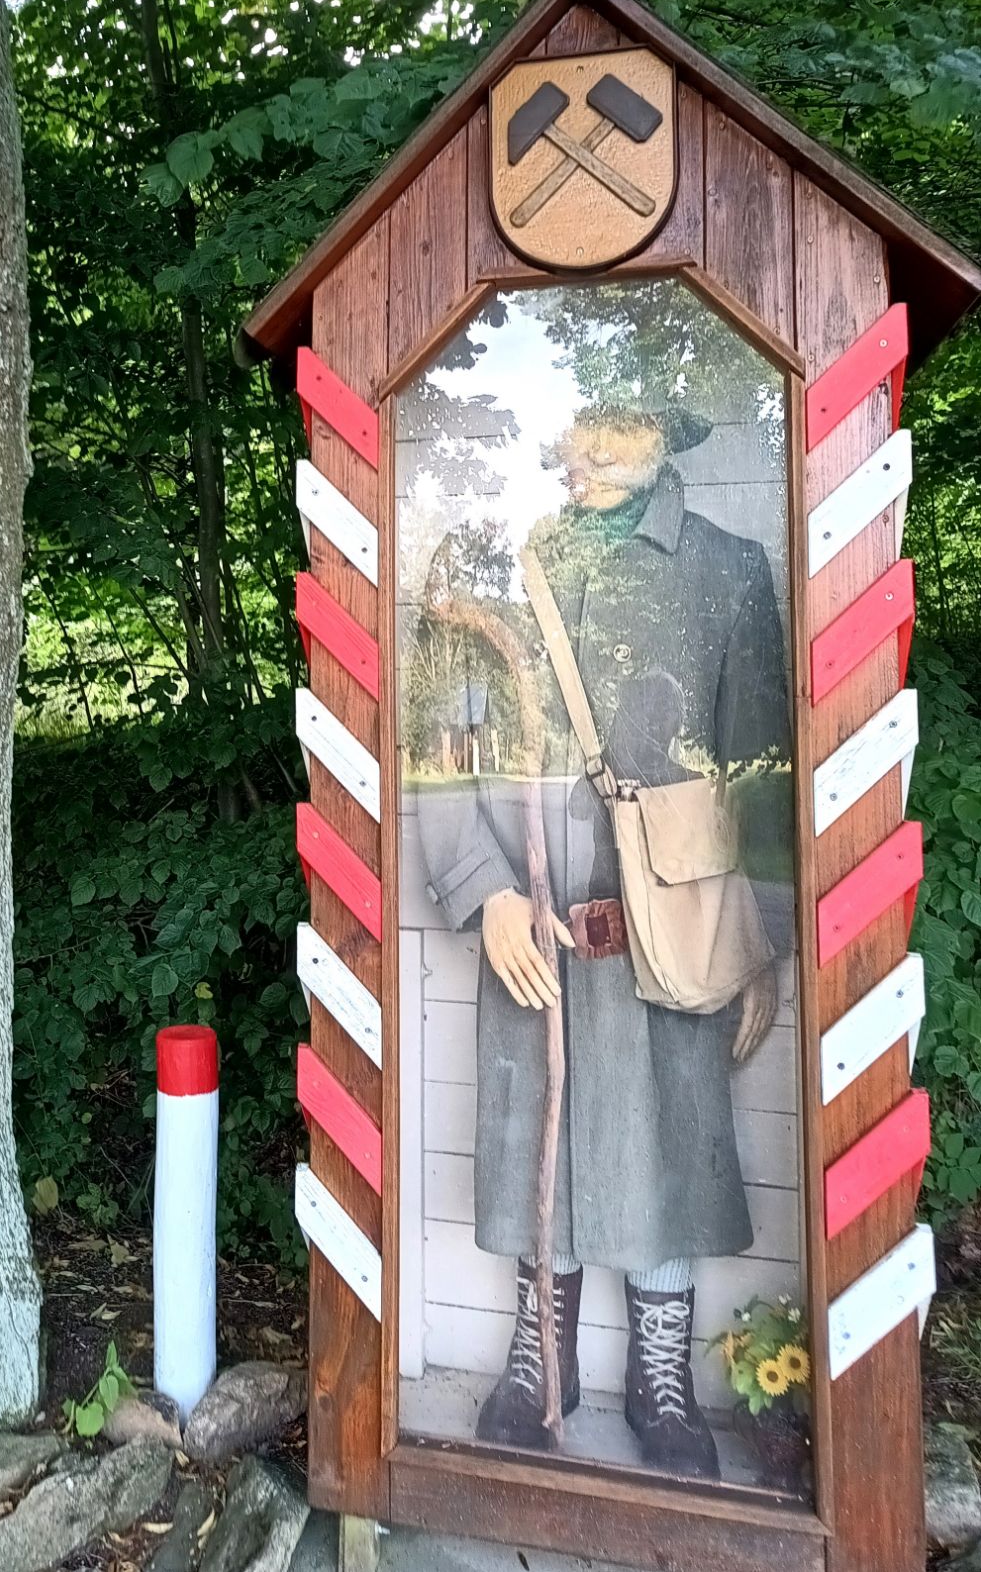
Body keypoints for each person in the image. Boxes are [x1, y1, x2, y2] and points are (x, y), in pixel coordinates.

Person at [413, 401, 791, 1481]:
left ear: (663, 443)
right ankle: (542, 1357)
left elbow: (761, 763)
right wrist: (483, 890)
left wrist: (759, 937)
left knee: (668, 1142)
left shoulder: (726, 572)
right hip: (530, 924)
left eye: (616, 439)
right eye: (578, 440)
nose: (592, 460)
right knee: (537, 1137)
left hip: (673, 931)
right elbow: (442, 739)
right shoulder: (497, 567)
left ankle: (662, 1376)